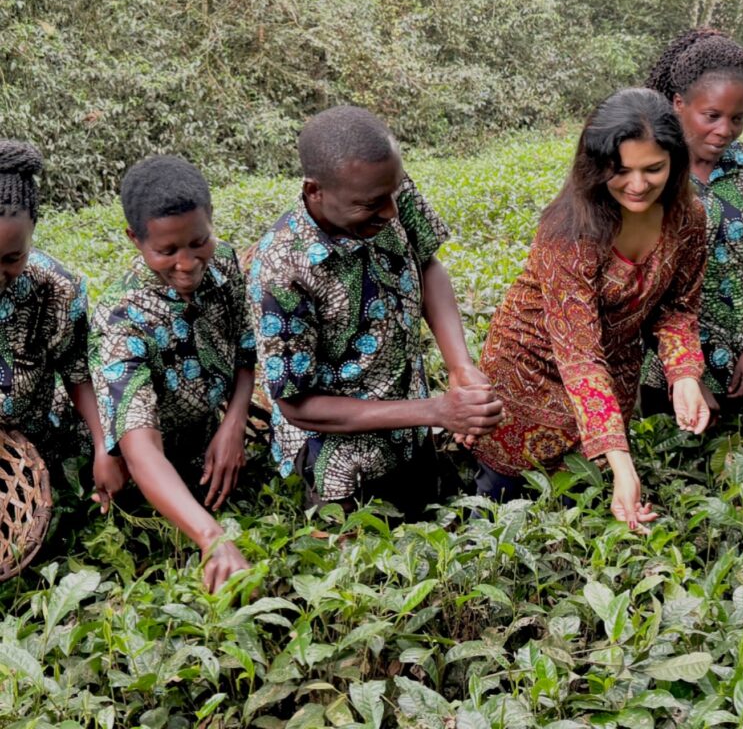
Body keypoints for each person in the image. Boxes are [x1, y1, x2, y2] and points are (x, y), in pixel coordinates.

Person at [472, 88, 712, 528]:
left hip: (614, 364)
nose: (637, 185)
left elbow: (678, 307)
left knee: (577, 501)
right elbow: (578, 353)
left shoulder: (688, 218)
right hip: (530, 366)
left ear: (675, 163)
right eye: (620, 171)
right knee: (500, 497)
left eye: (653, 169)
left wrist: (684, 376)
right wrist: (623, 463)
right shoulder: (569, 228)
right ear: (596, 166)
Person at [247, 105, 502, 518]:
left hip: (411, 430)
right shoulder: (282, 269)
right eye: (370, 206)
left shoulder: (384, 186)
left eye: (394, 195)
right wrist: (435, 411)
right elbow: (297, 404)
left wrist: (459, 366)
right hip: (338, 464)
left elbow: (426, 261)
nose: (391, 213)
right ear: (316, 192)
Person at [90, 156, 257, 592]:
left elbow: (245, 351)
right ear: (134, 239)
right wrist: (210, 536)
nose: (187, 263)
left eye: (198, 242)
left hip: (209, 444)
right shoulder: (121, 318)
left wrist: (234, 423)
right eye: (166, 252)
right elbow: (140, 448)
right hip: (147, 477)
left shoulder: (223, 265)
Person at [642, 28, 743, 414]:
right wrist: (685, 373)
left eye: (737, 118)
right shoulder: (647, 174)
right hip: (666, 374)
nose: (724, 130)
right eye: (711, 116)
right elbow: (636, 284)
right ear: (679, 103)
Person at [0, 139, 125, 507]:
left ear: (33, 232)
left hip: (37, 443)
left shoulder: (56, 289)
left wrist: (105, 446)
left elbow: (78, 373)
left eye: (12, 258)